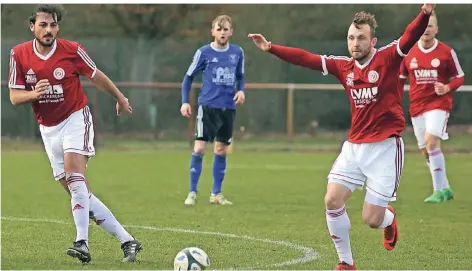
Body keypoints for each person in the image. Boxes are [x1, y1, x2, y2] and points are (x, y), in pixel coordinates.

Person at [249, 4, 435, 270]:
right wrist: (271, 48)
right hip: (354, 148)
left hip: (384, 149)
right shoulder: (343, 67)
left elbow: (410, 35)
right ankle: (346, 263)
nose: (355, 43)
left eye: (360, 38)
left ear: (372, 41)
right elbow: (307, 58)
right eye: (351, 38)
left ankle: (387, 219)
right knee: (331, 200)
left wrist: (425, 12)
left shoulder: (388, 58)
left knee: (371, 219)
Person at [8, 4, 142, 263]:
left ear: (58, 27)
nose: (49, 30)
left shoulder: (72, 50)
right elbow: (14, 96)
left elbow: (96, 75)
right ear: (32, 26)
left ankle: (82, 243)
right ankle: (128, 240)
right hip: (47, 129)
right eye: (43, 24)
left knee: (75, 178)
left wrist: (120, 97)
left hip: (75, 118)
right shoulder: (19, 54)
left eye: (53, 25)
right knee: (79, 193)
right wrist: (34, 94)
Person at [399, 12, 464, 203]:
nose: (426, 30)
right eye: (424, 26)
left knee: (431, 142)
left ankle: (437, 191)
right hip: (417, 106)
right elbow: (400, 77)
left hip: (438, 104)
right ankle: (446, 189)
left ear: (436, 29)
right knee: (425, 149)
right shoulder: (408, 52)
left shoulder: (446, 52)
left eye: (430, 26)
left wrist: (447, 88)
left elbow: (459, 77)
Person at [180, 15, 245, 206]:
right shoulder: (204, 53)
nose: (222, 32)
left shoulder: (237, 52)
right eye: (219, 29)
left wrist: (241, 90)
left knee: (221, 149)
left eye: (226, 29)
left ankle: (216, 193)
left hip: (228, 107)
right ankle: (192, 192)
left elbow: (240, 76)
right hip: (207, 106)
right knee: (200, 147)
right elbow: (188, 78)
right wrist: (185, 102)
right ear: (213, 31)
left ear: (231, 31)